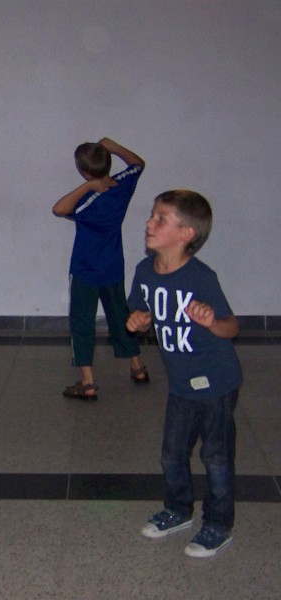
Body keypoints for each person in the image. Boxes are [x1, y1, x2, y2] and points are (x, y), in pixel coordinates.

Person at [127, 190, 242, 558]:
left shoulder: (201, 277)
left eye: (161, 219)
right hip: (180, 383)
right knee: (172, 454)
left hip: (216, 382)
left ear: (186, 233)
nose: (149, 222)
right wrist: (138, 322)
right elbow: (140, 314)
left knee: (216, 457)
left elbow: (231, 327)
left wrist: (211, 322)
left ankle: (218, 524)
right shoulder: (145, 271)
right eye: (152, 215)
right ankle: (178, 510)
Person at [52, 137, 149, 400]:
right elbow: (138, 164)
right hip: (113, 265)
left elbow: (59, 209)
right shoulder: (123, 184)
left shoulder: (88, 200)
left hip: (85, 269)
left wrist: (89, 186)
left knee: (82, 320)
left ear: (84, 172)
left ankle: (88, 381)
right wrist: (115, 148)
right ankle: (138, 367)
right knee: (120, 316)